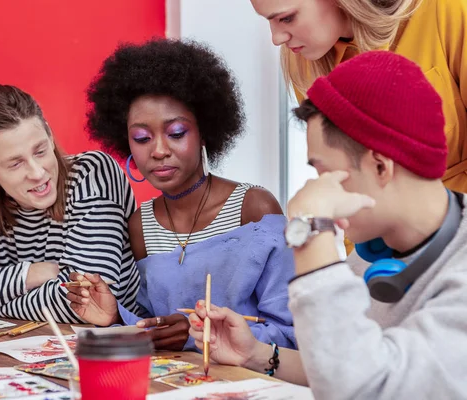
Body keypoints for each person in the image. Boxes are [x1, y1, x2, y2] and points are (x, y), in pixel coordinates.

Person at [189, 51, 467, 398]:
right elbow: (346, 363)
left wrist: (310, 231)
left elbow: (362, 388)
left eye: (323, 172)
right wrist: (257, 355)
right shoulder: (369, 258)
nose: (314, 188)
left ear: (380, 166)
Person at [66, 38, 297, 351]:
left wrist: (196, 335)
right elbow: (153, 327)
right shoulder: (140, 226)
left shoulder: (254, 208)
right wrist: (115, 317)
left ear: (205, 130)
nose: (159, 150)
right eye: (142, 137)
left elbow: (290, 334)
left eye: (176, 133)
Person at [0, 76, 140, 323]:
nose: (37, 173)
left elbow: (86, 300)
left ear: (49, 132)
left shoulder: (93, 174)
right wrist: (31, 274)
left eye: (40, 151)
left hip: (120, 349)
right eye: (15, 163)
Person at [250, 0, 467, 254]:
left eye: (286, 18)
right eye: (269, 20)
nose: (276, 38)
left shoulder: (447, 10)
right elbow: (345, 175)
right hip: (377, 250)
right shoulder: (307, 56)